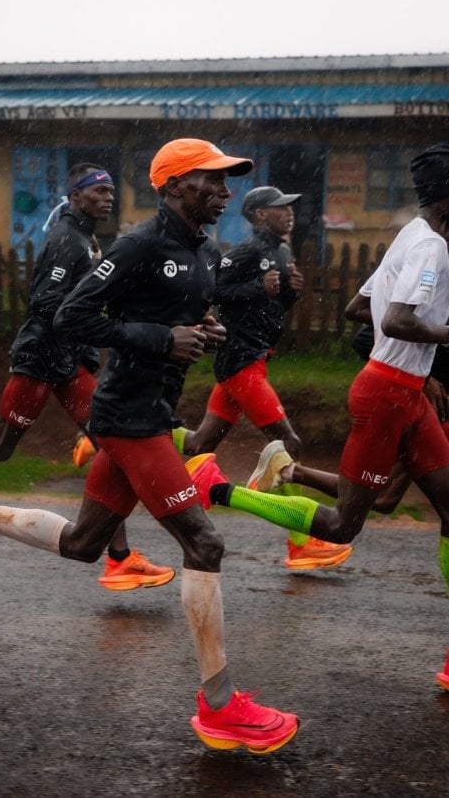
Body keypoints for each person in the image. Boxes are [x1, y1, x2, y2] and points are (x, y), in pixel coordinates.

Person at [0, 138, 300, 753]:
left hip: (150, 410)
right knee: (205, 542)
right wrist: (160, 338)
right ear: (175, 185)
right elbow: (69, 317)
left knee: (84, 544)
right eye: (212, 180)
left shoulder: (206, 251)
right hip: (128, 417)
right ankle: (219, 706)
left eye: (227, 180)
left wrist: (202, 329)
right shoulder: (138, 244)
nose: (225, 191)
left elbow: (182, 314)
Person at [183, 141, 449, 692]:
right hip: (383, 393)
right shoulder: (433, 251)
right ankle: (219, 490)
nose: (288, 213)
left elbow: (360, 308)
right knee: (342, 524)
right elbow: (396, 319)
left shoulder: (413, 238)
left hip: (406, 390)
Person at [0, 162, 173, 591]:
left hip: (68, 358)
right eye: (98, 191)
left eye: (112, 190)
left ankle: (119, 559)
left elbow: (78, 303)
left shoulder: (86, 237)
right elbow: (47, 304)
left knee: (108, 440)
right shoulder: (66, 239)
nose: (108, 197)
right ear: (76, 196)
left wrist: (83, 346)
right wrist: (85, 335)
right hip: (42, 355)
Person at [173, 185, 352, 571]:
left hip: (252, 359)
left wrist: (289, 294)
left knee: (201, 441)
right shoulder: (247, 251)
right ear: (257, 216)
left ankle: (131, 434)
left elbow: (271, 304)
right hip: (240, 361)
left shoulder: (282, 251)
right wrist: (259, 286)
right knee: (289, 441)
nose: (289, 213)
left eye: (290, 207)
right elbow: (215, 290)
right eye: (279, 207)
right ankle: (300, 542)